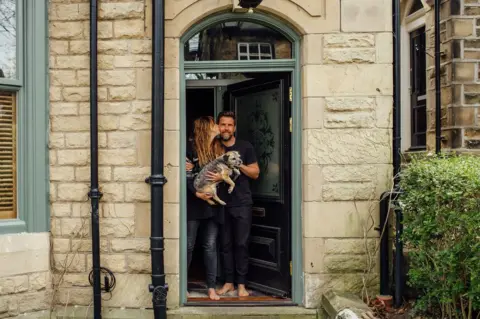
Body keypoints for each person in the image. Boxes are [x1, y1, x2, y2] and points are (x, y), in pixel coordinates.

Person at [214, 111, 260, 297]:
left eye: (229, 125)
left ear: (234, 128)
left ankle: (241, 284)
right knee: (225, 245)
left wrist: (237, 163)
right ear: (218, 126)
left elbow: (255, 173)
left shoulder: (245, 147)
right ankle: (228, 282)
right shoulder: (214, 148)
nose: (226, 128)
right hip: (221, 203)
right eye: (222, 124)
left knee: (241, 244)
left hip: (242, 203)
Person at [185, 116, 226, 301]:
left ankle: (211, 287)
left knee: (210, 246)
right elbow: (186, 177)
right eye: (214, 124)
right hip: (194, 205)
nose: (218, 127)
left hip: (213, 206)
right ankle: (182, 285)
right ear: (205, 128)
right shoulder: (189, 148)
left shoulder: (218, 148)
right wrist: (197, 193)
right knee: (188, 246)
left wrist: (220, 178)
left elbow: (224, 172)